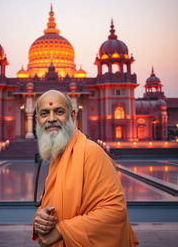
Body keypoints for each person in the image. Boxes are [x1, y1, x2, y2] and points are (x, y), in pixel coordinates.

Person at [32, 90, 139, 247]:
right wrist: (40, 219)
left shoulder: (90, 152)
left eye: (59, 112)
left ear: (73, 116)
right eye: (44, 113)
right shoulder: (58, 155)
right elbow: (54, 203)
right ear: (37, 120)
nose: (52, 119)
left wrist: (61, 231)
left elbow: (115, 212)